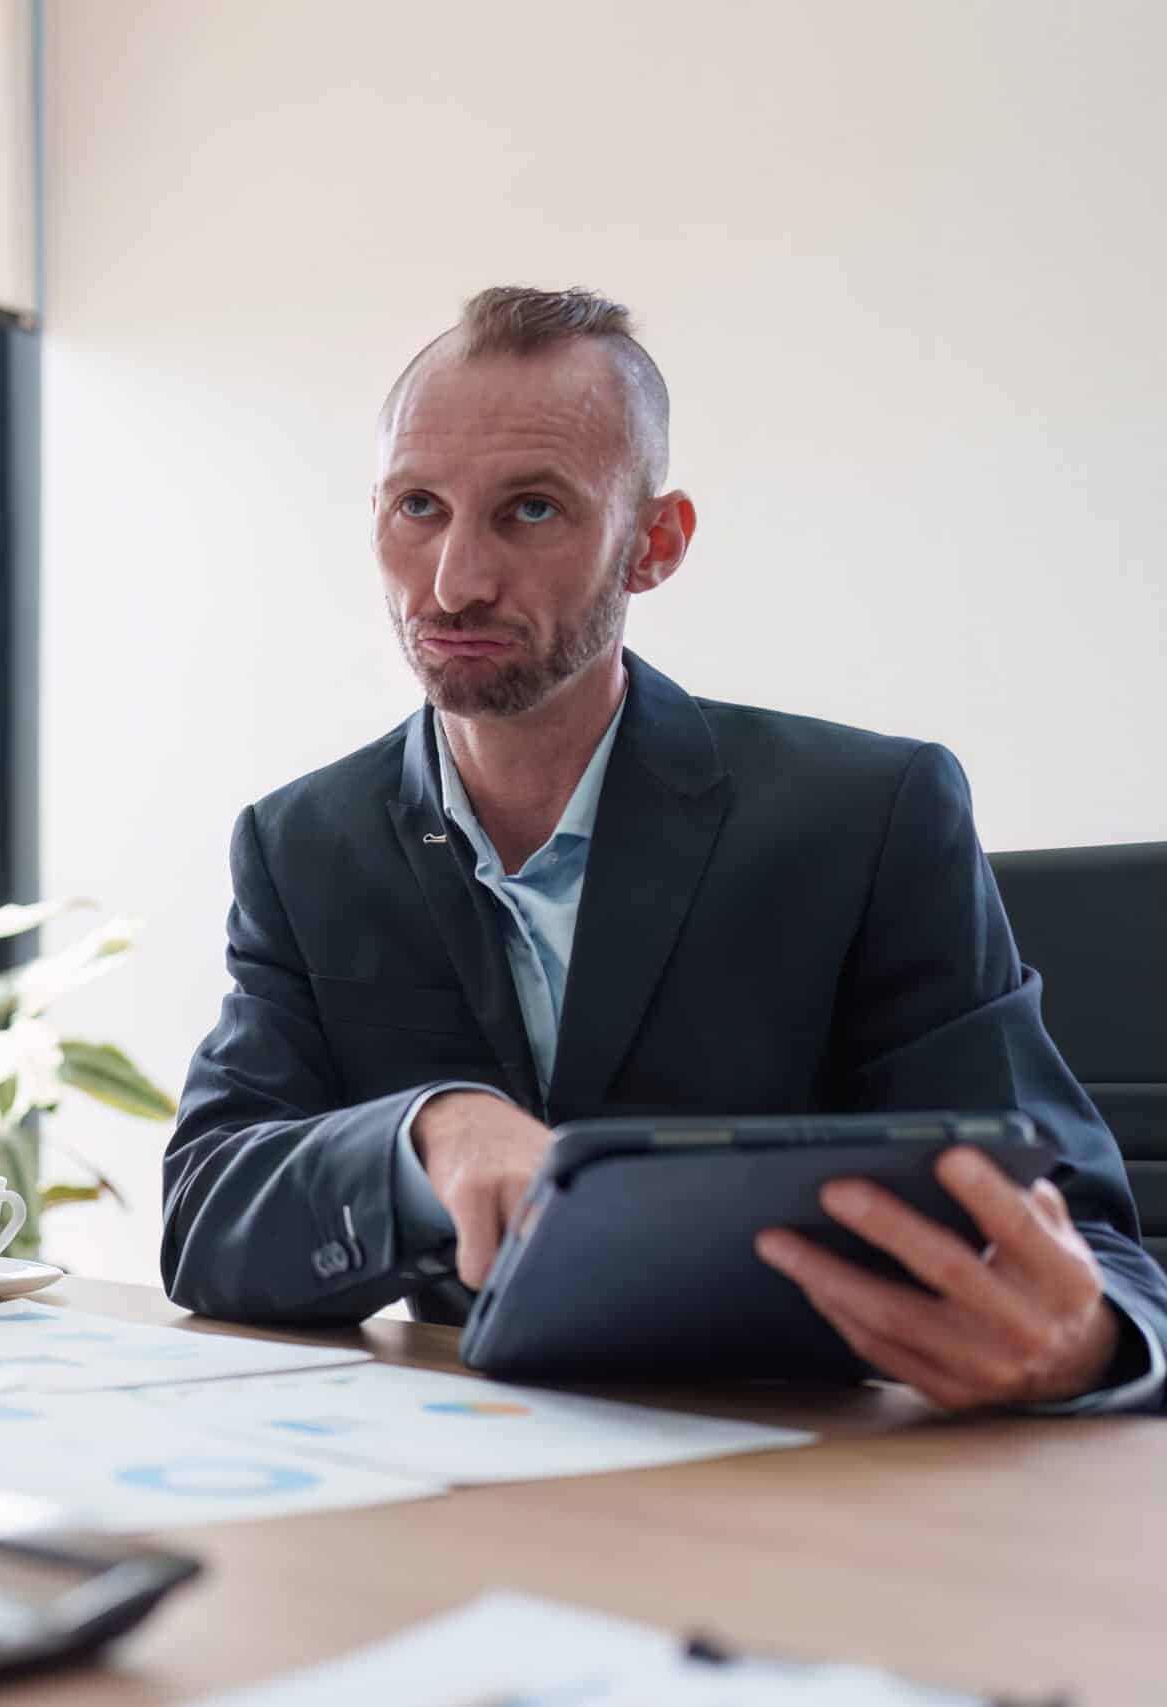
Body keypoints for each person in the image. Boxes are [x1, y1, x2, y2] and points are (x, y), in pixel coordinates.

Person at [162, 285, 1165, 1413]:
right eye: (418, 507)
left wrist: (1084, 1346)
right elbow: (204, 1216)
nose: (454, 581)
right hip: (464, 1466)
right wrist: (427, 1131)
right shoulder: (303, 843)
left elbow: (1095, 1250)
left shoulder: (870, 815)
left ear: (654, 544)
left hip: (808, 1481)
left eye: (531, 510)